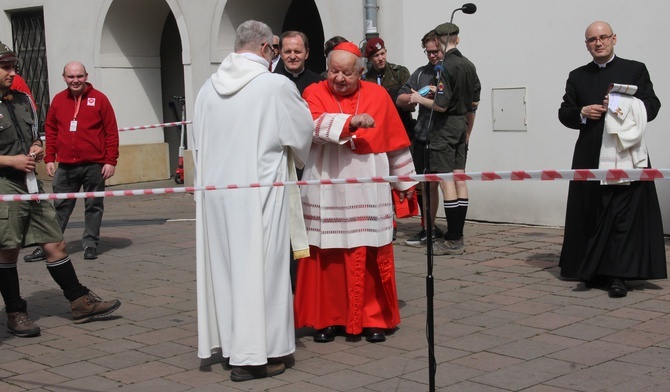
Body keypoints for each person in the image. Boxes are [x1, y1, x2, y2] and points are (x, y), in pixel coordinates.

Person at [193, 20, 314, 382]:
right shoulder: (275, 86)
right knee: (264, 273)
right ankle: (261, 355)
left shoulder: (206, 88)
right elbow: (300, 133)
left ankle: (234, 347)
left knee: (228, 272)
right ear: (266, 48)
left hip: (218, 197)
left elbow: (198, 143)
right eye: (275, 49)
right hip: (261, 194)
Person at [294, 42, 417, 344]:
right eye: (333, 71)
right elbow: (312, 126)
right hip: (326, 186)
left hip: (367, 187)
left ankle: (371, 319)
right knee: (326, 256)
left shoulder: (377, 95)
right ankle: (326, 320)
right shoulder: (314, 92)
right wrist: (351, 122)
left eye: (346, 73)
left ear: (360, 72)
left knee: (370, 252)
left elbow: (394, 141)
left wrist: (405, 184)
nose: (338, 78)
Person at [0, 41, 121, 338]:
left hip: (30, 183)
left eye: (14, 66)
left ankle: (79, 301)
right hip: (4, 185)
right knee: (7, 252)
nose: (12, 72)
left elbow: (37, 134)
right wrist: (10, 160)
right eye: (6, 67)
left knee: (55, 243)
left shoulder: (21, 100)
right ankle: (16, 312)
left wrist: (37, 148)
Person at [557, 21, 666, 298]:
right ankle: (592, 269)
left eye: (603, 37)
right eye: (592, 39)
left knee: (621, 214)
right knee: (593, 211)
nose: (598, 42)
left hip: (625, 153)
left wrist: (623, 106)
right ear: (586, 44)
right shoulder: (577, 76)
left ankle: (619, 275)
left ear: (614, 38)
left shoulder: (635, 69)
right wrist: (582, 112)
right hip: (590, 153)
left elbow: (652, 106)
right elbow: (564, 112)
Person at [25, 62, 119, 263]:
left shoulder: (100, 99)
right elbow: (51, 130)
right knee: (59, 206)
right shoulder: (58, 100)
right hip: (66, 165)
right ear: (64, 77)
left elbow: (111, 132)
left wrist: (110, 161)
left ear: (86, 76)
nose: (75, 80)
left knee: (94, 205)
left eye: (79, 76)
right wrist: (50, 158)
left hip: (94, 164)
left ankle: (91, 243)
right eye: (71, 77)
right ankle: (50, 246)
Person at [415, 22, 479, 256]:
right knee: (460, 179)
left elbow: (440, 106)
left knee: (446, 181)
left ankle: (453, 237)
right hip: (461, 125)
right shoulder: (469, 65)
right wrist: (468, 130)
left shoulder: (445, 67)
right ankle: (458, 233)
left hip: (443, 128)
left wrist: (418, 98)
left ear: (442, 41)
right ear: (457, 40)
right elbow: (474, 101)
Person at [397, 30, 446, 246]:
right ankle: (428, 227)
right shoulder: (419, 73)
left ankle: (454, 232)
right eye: (428, 52)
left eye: (435, 51)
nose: (432, 56)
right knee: (426, 185)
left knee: (449, 184)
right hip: (422, 134)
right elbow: (400, 99)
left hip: (444, 136)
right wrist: (415, 97)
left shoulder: (450, 71)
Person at [363, 37, 414, 140]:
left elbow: (411, 104)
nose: (381, 58)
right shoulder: (365, 80)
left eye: (382, 53)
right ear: (369, 59)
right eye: (376, 55)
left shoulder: (399, 73)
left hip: (401, 127)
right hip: (377, 131)